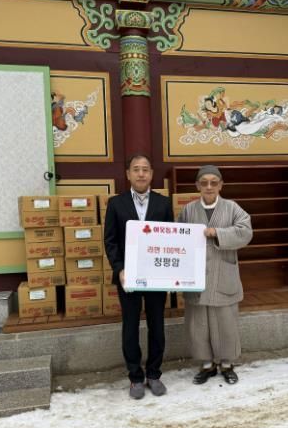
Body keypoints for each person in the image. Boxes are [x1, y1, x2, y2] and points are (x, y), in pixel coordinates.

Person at [104, 154, 174, 399]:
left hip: (156, 276)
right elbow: (110, 241)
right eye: (136, 169)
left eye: (145, 169)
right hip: (128, 277)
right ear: (128, 174)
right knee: (130, 326)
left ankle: (154, 374)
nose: (141, 173)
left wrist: (171, 274)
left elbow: (170, 240)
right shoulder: (116, 203)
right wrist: (119, 269)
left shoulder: (164, 203)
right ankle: (135, 377)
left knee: (157, 326)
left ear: (152, 174)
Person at [178, 165, 253, 385]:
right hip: (197, 275)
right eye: (204, 182)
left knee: (226, 322)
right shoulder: (188, 210)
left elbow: (246, 232)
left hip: (223, 272)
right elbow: (177, 238)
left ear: (221, 185)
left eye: (213, 182)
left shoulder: (232, 208)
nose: (209, 186)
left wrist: (218, 233)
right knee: (198, 324)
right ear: (197, 186)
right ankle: (206, 365)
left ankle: (227, 364)